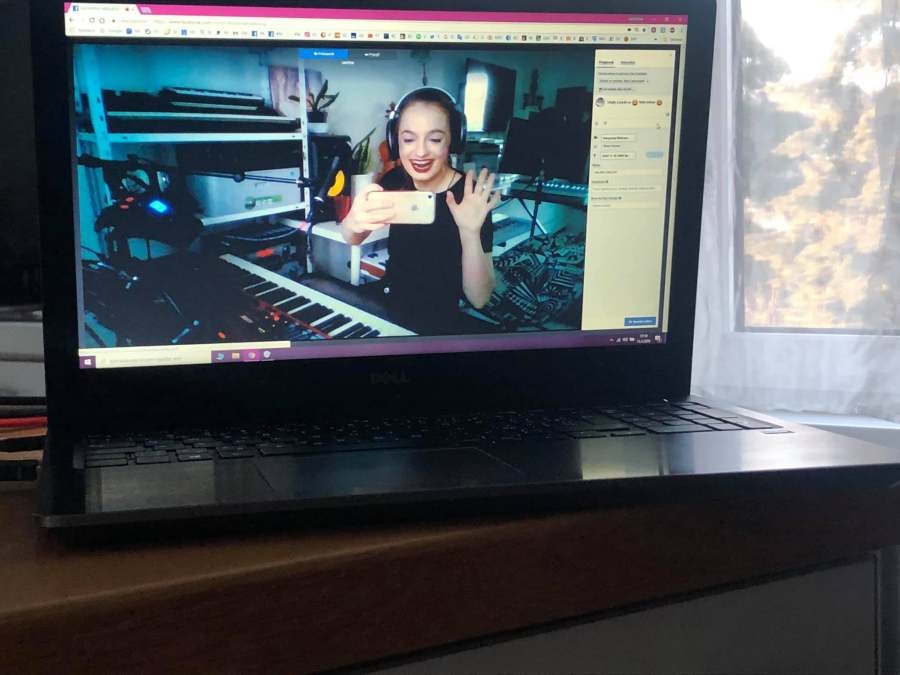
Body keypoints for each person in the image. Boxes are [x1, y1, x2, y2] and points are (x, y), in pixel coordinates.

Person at [339, 87, 500, 334]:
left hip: (439, 318)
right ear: (395, 141)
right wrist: (353, 220)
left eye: (435, 139)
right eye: (408, 139)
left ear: (453, 140)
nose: (421, 152)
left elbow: (479, 298)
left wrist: (469, 231)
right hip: (389, 302)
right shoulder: (393, 180)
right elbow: (353, 237)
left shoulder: (471, 198)